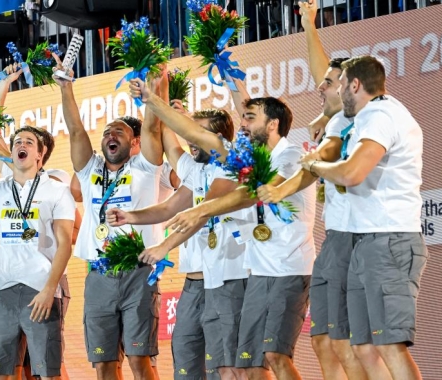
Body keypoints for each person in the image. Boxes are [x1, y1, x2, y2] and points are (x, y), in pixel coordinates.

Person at [135, 74, 316, 379]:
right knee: (246, 367)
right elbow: (192, 133)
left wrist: (201, 211)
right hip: (258, 271)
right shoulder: (248, 159)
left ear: (271, 124)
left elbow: (254, 193)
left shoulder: (291, 155)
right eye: (242, 119)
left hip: (287, 268)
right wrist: (153, 99)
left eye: (250, 119)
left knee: (273, 357)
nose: (243, 124)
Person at [255, 2, 374, 379]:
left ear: (350, 86)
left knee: (351, 340)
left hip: (365, 237)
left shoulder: (367, 118)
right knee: (323, 339)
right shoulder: (335, 121)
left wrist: (281, 189)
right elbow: (323, 74)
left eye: (330, 83)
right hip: (336, 239)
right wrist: (308, 23)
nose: (320, 86)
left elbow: (311, 172)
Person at [298, 55, 426, 380]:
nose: (337, 94)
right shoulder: (366, 117)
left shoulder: (381, 115)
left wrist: (313, 165)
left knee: (389, 346)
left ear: (355, 85)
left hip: (389, 240)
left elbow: (353, 172)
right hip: (365, 242)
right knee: (363, 347)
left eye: (340, 85)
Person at [107, 106, 247, 380]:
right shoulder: (195, 170)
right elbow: (168, 207)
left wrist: (164, 246)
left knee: (227, 368)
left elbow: (201, 212)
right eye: (189, 132)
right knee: (185, 365)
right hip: (193, 285)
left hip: (227, 281)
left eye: (197, 132)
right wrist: (130, 216)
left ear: (219, 138)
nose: (189, 139)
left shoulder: (233, 166)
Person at [54, 57, 164, 380]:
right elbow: (75, 129)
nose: (110, 135)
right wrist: (66, 89)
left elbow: (154, 126)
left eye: (119, 132)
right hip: (99, 276)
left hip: (137, 274)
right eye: (106, 133)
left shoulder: (145, 167)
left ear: (133, 143)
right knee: (104, 366)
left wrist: (154, 88)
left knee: (139, 362)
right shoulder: (90, 171)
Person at [0, 126, 75, 380]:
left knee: (48, 372)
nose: (20, 145)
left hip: (40, 290)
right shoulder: (0, 191)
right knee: (0, 372)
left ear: (40, 153)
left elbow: (64, 244)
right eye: (16, 142)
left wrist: (49, 289)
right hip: (3, 290)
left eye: (28, 142)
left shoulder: (56, 190)